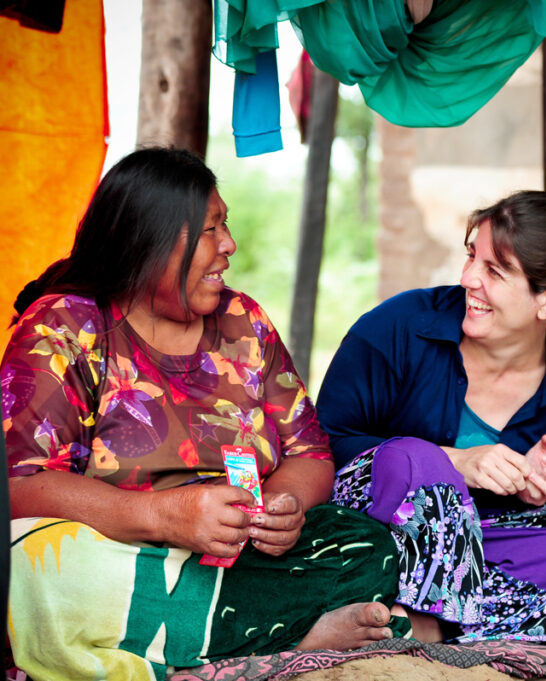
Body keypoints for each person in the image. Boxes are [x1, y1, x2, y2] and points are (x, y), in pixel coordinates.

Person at [2, 148, 408, 681]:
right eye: (210, 229)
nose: (229, 246)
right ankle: (279, 640)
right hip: (121, 560)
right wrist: (165, 516)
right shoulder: (64, 327)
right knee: (37, 572)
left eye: (226, 225)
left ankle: (205, 641)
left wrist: (283, 505)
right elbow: (20, 487)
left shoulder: (243, 322)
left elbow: (309, 452)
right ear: (149, 242)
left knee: (365, 544)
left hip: (239, 564)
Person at [317, 190, 546, 660]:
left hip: (483, 547)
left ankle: (424, 624)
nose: (468, 279)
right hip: (374, 535)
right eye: (471, 257)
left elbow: (535, 521)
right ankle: (502, 623)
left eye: (494, 272)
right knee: (417, 457)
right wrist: (454, 462)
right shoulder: (397, 328)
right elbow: (322, 447)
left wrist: (533, 487)